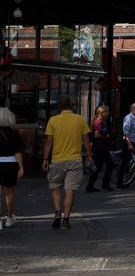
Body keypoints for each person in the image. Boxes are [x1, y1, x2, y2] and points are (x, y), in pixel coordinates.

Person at [43, 96, 92, 230]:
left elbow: (49, 142)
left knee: (55, 186)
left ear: (59, 107)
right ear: (71, 106)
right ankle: (66, 219)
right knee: (69, 190)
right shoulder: (80, 120)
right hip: (74, 160)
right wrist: (88, 155)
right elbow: (86, 140)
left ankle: (58, 212)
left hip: (57, 160)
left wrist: (45, 159)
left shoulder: (53, 120)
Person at [0, 107, 24, 228]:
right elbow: (18, 151)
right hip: (10, 164)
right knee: (9, 192)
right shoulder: (14, 133)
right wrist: (21, 167)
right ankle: (9, 218)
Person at [86, 105, 115, 192]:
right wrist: (106, 136)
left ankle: (90, 186)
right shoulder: (98, 122)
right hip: (99, 147)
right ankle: (104, 184)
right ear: (102, 113)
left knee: (98, 167)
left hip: (100, 147)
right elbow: (96, 135)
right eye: (107, 112)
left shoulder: (101, 121)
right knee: (110, 164)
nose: (108, 114)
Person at [120, 102, 135, 188]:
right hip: (129, 143)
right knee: (125, 163)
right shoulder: (128, 118)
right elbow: (126, 133)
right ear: (131, 109)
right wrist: (129, 145)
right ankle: (120, 183)